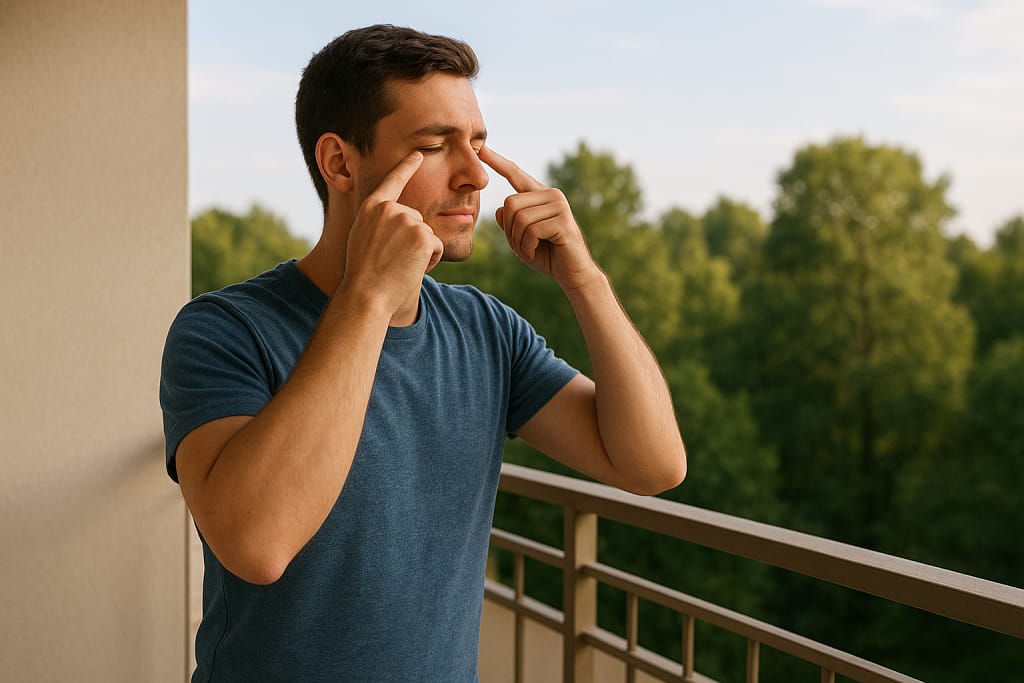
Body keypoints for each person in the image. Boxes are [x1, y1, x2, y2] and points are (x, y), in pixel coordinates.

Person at [160, 24, 686, 683]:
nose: (474, 175)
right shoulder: (223, 329)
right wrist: (370, 294)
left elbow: (653, 464)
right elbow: (258, 544)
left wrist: (585, 279)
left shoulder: (485, 329)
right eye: (436, 146)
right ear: (341, 163)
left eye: (480, 143)